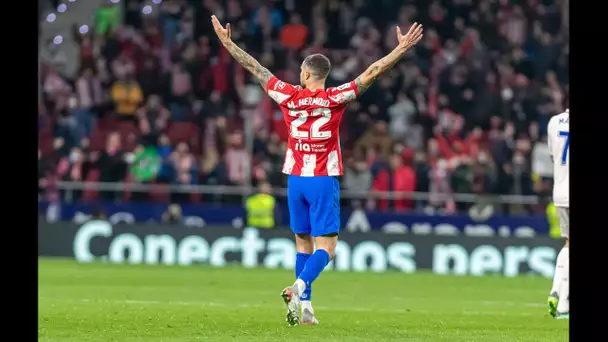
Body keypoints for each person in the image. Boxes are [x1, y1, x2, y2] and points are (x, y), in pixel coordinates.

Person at [211, 15, 423, 326]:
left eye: (300, 71)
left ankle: (306, 310)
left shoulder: (288, 95)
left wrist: (228, 44)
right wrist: (400, 50)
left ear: (308, 73)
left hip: (296, 180)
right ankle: (298, 289)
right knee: (328, 249)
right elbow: (372, 72)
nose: (298, 74)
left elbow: (256, 69)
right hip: (323, 181)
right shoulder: (335, 98)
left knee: (302, 243)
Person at [546, 109, 569, 319]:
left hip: (560, 192)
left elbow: (553, 157)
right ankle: (564, 304)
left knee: (569, 242)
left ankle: (557, 290)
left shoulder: (555, 121)